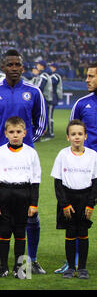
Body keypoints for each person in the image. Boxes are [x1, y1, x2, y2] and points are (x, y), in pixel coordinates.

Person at [0, 49, 46, 274]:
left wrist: (24, 146)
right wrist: (1, 144)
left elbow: (40, 123)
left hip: (26, 158)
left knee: (30, 212)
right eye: (10, 64)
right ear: (3, 67)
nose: (14, 68)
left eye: (18, 65)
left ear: (23, 68)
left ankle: (31, 260)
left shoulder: (34, 92)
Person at [0, 116, 41, 278]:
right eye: (11, 132)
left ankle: (19, 268)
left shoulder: (31, 153)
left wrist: (33, 204)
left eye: (18, 132)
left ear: (24, 133)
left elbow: (35, 182)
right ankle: (3, 267)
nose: (15, 135)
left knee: (21, 233)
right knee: (4, 232)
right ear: (6, 133)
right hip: (4, 196)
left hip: (23, 196)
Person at [60, 61, 97, 274]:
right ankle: (72, 262)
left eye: (91, 76)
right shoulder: (82, 104)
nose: (86, 80)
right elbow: (73, 133)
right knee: (78, 216)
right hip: (85, 171)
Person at [51, 119, 97, 279]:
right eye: (73, 134)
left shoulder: (93, 156)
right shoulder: (63, 154)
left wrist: (91, 204)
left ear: (85, 136)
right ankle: (71, 267)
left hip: (85, 199)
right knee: (70, 232)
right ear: (67, 137)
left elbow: (95, 183)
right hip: (68, 199)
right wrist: (64, 204)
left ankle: (82, 268)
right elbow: (57, 182)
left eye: (80, 134)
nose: (76, 137)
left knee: (83, 232)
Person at [33, 60, 53, 139]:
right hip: (46, 98)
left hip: (45, 99)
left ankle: (48, 133)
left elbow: (39, 87)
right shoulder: (44, 74)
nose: (37, 66)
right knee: (45, 116)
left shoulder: (43, 75)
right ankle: (45, 132)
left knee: (45, 116)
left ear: (41, 66)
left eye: (38, 64)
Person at [49, 63, 64, 138]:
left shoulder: (55, 76)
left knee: (50, 116)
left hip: (52, 97)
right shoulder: (56, 75)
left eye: (51, 67)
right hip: (53, 97)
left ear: (54, 68)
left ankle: (50, 132)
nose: (50, 68)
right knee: (49, 115)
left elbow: (51, 83)